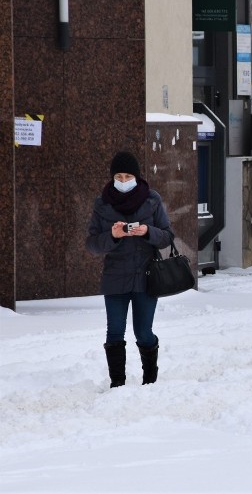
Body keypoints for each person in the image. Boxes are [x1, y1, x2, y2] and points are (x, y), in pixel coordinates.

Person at [85, 151, 176, 388]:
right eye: (119, 176)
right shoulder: (102, 204)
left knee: (143, 333)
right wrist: (112, 236)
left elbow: (167, 237)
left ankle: (150, 380)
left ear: (136, 177)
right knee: (114, 332)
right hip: (115, 277)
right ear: (112, 177)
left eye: (128, 176)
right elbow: (92, 244)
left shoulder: (152, 200)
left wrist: (148, 232)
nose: (123, 181)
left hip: (147, 277)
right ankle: (118, 384)